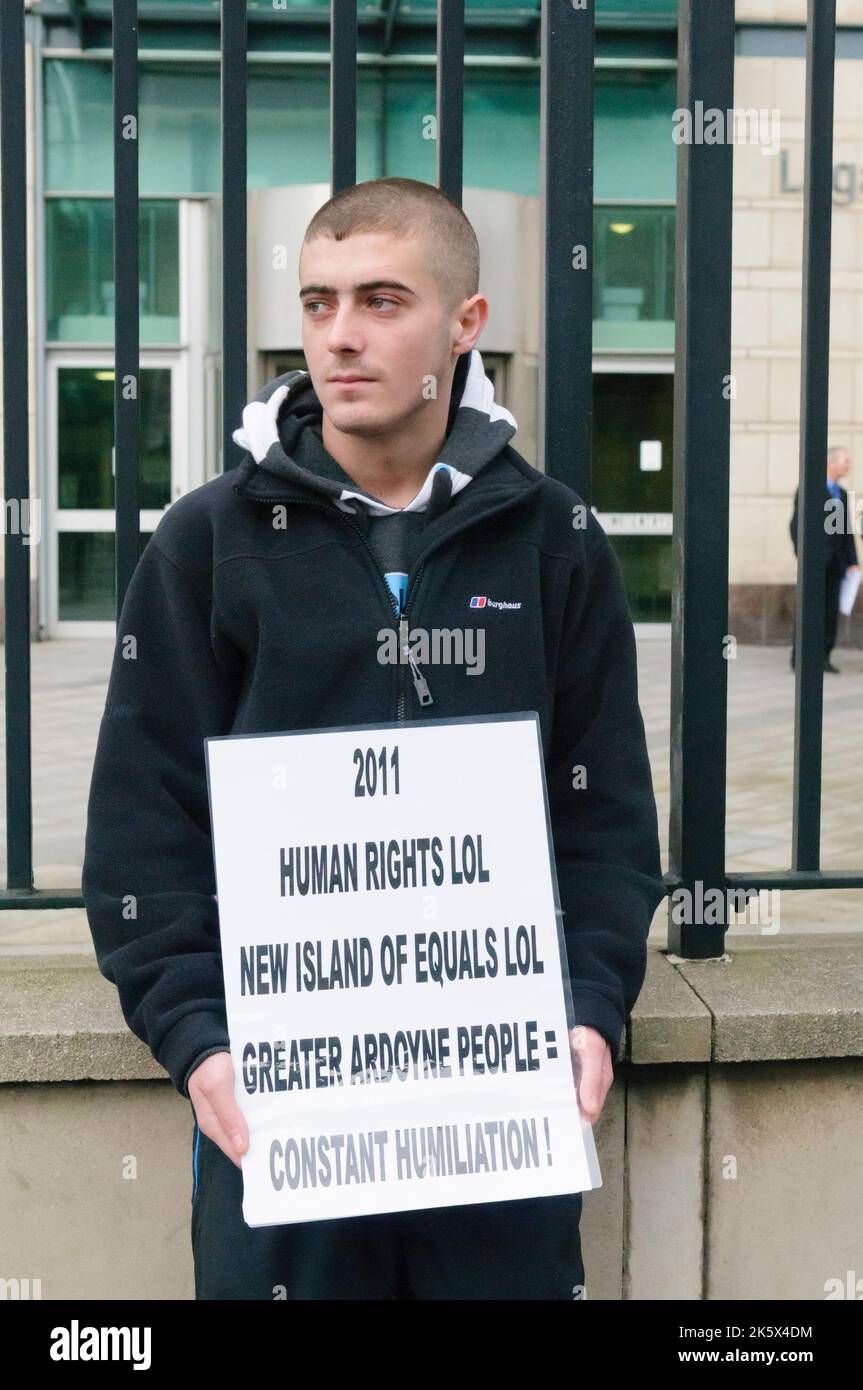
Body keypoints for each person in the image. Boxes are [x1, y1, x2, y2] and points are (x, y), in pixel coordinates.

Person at [82, 176, 665, 1300]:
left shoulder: (555, 542)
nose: (338, 337)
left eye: (382, 300)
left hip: (493, 1097)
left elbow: (603, 820)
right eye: (317, 303)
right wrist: (200, 1038)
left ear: (465, 323)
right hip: (283, 1097)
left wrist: (591, 1008)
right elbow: (142, 829)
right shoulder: (206, 544)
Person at [789, 445, 859, 673]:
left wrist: (852, 561)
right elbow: (796, 525)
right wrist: (805, 556)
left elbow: (845, 531)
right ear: (831, 462)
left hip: (836, 565)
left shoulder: (841, 493)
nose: (848, 465)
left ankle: (823, 656)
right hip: (815, 564)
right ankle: (799, 657)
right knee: (809, 609)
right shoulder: (811, 489)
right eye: (845, 461)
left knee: (830, 610)